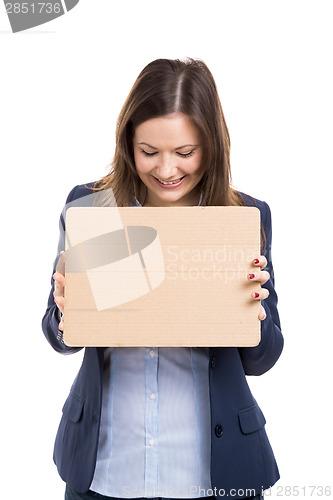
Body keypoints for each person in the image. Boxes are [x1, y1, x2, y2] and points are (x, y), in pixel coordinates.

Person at [42, 58, 284, 500]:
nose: (167, 170)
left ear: (211, 145)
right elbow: (60, 337)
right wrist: (64, 309)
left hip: (210, 471)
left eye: (185, 152)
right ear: (127, 143)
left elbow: (263, 359)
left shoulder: (241, 217)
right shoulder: (91, 207)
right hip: (109, 466)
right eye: (149, 152)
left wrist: (254, 312)